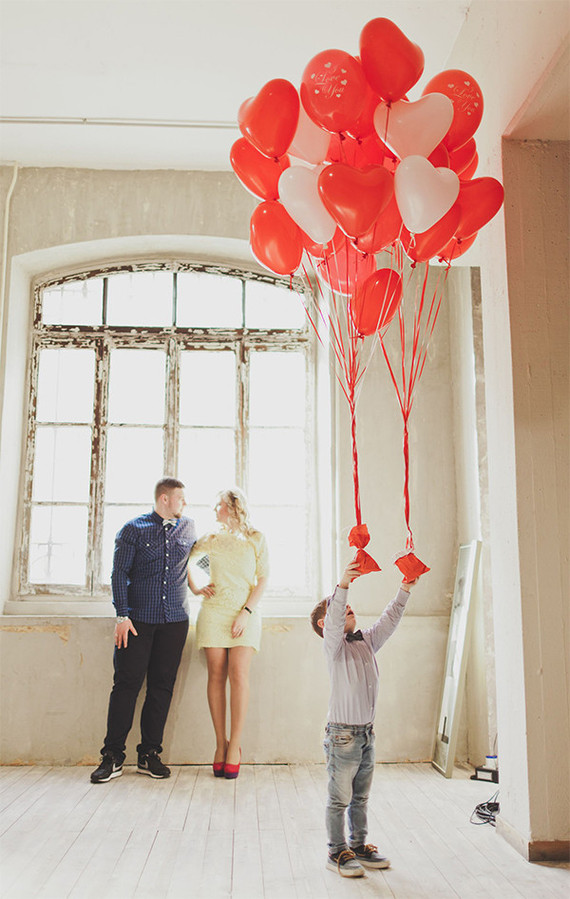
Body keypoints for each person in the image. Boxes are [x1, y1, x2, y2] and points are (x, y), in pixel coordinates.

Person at [310, 559, 418, 878]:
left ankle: (358, 845)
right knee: (339, 797)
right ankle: (336, 851)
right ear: (323, 625)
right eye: (338, 610)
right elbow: (334, 620)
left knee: (360, 796)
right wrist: (342, 585)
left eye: (347, 606)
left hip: (367, 735)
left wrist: (405, 589)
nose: (347, 609)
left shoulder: (367, 641)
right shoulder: (334, 647)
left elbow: (390, 619)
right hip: (342, 736)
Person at [90, 477, 195, 784]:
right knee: (126, 686)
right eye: (180, 499)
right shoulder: (133, 529)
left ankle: (149, 754)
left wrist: (202, 586)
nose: (184, 504)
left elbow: (197, 560)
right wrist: (121, 615)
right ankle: (112, 756)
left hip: (175, 621)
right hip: (137, 623)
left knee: (162, 687)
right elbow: (118, 573)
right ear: (164, 499)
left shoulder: (188, 527)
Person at [187, 488, 268, 779]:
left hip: (244, 613)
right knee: (216, 674)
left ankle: (236, 746)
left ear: (233, 507)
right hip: (213, 612)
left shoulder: (256, 538)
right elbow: (188, 563)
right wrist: (196, 587)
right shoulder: (210, 540)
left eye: (218, 505)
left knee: (239, 674)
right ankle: (220, 744)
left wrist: (245, 613)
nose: (214, 510)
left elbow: (262, 580)